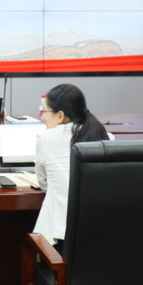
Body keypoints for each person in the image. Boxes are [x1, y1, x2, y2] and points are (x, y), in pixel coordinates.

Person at [33, 83, 111, 252]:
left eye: (45, 111)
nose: (43, 117)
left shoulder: (45, 138)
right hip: (103, 237)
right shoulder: (106, 137)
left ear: (60, 115)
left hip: (61, 240)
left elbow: (43, 183)